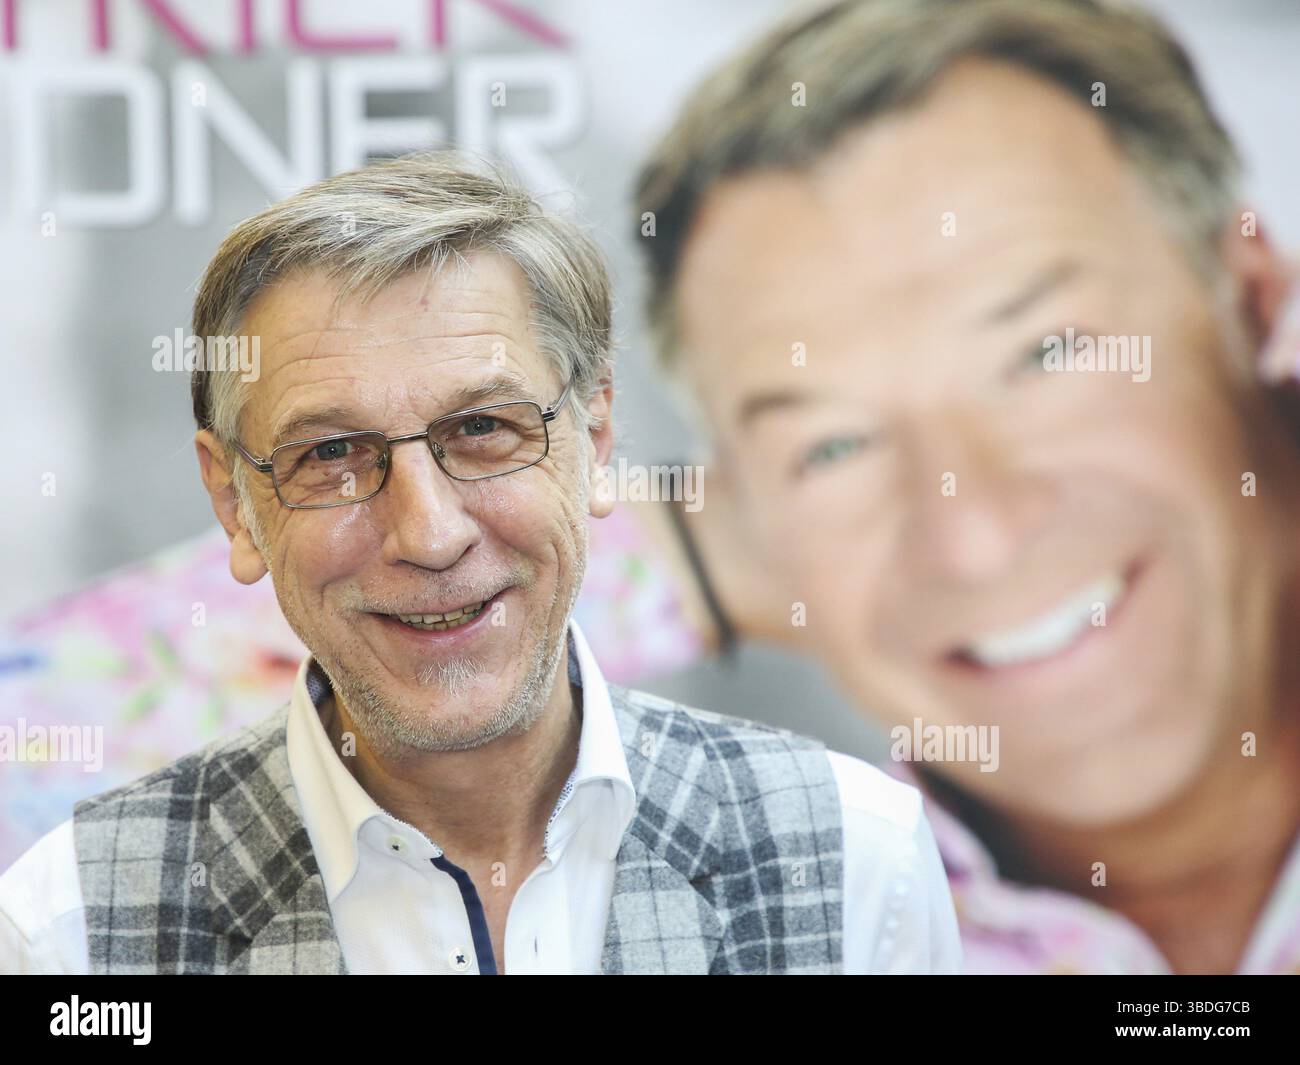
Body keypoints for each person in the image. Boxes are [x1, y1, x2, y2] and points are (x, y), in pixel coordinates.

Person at [6, 0, 1300, 976]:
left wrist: (571, 478)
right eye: (829, 442)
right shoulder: (901, 867)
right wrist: (635, 516)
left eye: (1047, 354)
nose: (971, 532)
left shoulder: (838, 863)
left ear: (1253, 303)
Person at [0, 151, 958, 975]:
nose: (429, 531)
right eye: (330, 453)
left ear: (597, 433)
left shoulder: (852, 855)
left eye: (484, 429)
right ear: (233, 504)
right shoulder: (71, 922)